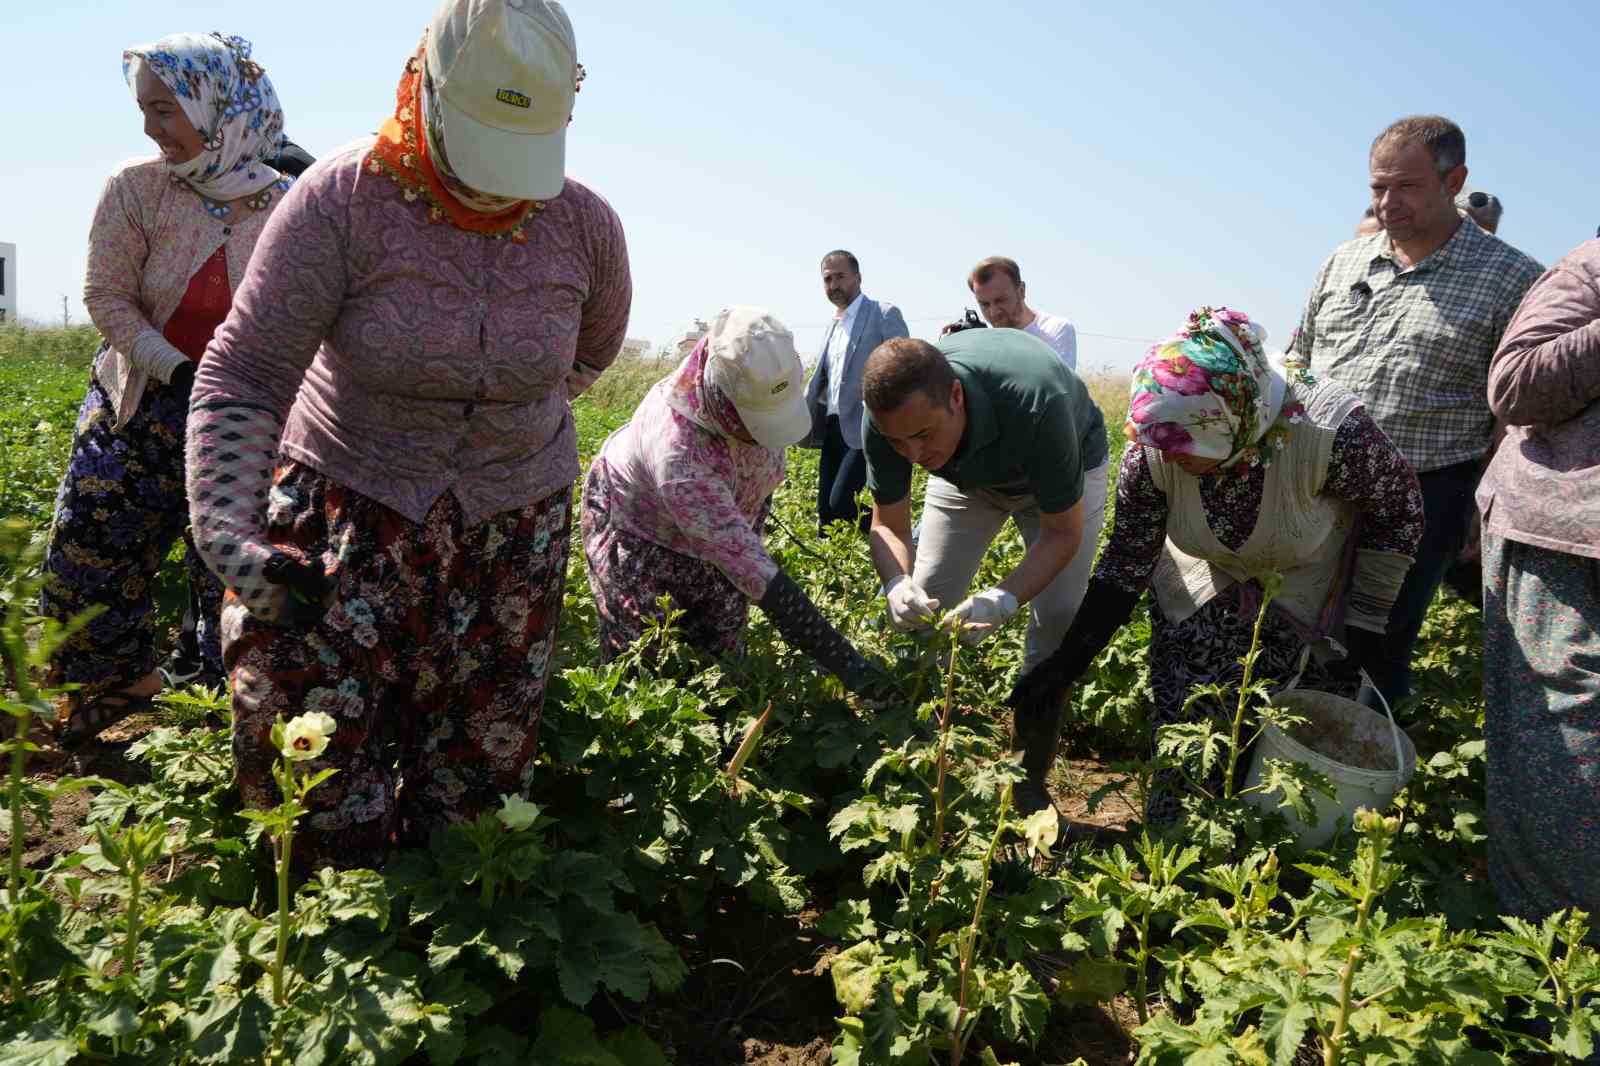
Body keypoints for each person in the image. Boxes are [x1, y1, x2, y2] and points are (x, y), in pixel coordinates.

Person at [186, 0, 630, 870]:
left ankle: (449, 953)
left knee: (477, 788)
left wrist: (506, 419)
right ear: (424, 88)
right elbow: (246, 369)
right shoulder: (343, 198)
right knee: (314, 777)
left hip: (510, 527)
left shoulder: (585, 225)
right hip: (349, 509)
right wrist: (226, 530)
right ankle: (333, 950)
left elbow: (593, 350)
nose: (496, 185)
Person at [1012, 307, 1423, 823]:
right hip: (1201, 577)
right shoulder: (1157, 442)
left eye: (1190, 450)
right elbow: (1126, 560)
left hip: (1305, 585)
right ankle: (1176, 846)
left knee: (1288, 738)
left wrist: (1365, 626)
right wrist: (1065, 664)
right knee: (1191, 725)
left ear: (1236, 420)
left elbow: (1398, 512)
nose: (1175, 459)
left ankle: (1270, 862)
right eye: (1165, 449)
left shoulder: (1330, 431)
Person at [39, 32, 292, 749]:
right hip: (138, 404)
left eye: (165, 110)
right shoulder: (136, 188)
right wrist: (176, 368)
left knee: (232, 572)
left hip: (243, 422)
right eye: (144, 110)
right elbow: (107, 297)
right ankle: (108, 688)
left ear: (220, 107)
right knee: (86, 551)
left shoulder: (289, 209)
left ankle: (215, 728)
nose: (150, 129)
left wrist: (232, 392)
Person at [1290, 114, 1541, 710]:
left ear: (1455, 181)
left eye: (1405, 186)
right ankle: (1281, 766)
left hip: (1424, 493)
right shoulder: (1342, 263)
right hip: (1315, 482)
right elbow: (1299, 360)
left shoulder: (1513, 279)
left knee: (1378, 644)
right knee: (1289, 628)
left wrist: (1484, 508)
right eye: (1378, 187)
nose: (1387, 202)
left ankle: (1366, 781)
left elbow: (1517, 415)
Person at [860, 327, 1108, 817]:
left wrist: (1005, 597)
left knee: (1057, 619)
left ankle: (1028, 780)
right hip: (965, 483)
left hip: (1060, 480)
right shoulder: (889, 419)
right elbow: (887, 524)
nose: (912, 454)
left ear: (955, 395)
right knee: (924, 603)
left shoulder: (1037, 402)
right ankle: (915, 766)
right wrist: (895, 581)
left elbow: (1061, 533)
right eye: (897, 441)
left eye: (923, 435)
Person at [582, 306, 888, 695]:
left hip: (716, 531)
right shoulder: (680, 453)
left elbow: (749, 524)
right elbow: (750, 568)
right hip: (637, 528)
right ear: (723, 400)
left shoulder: (766, 381)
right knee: (644, 657)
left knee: (722, 653)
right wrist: (846, 662)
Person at [164, 136, 320, 691]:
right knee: (222, 541)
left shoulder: (307, 187)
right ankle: (203, 668)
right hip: (223, 390)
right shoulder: (159, 190)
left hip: (292, 406)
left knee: (264, 548)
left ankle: (213, 671)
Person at [1477, 237, 1600, 932]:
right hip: (1564, 537)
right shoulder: (1589, 268)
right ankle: (1553, 952)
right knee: (1567, 740)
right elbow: (1516, 383)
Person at [802, 250, 908, 535]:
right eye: (827, 279)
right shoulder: (832, 326)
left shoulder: (883, 314)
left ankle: (890, 539)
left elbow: (905, 369)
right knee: (825, 514)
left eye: (840, 277)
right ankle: (836, 576)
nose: (834, 285)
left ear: (858, 278)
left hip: (868, 427)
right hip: (834, 427)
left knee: (843, 505)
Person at [966, 256, 1078, 369]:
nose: (993, 312)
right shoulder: (981, 342)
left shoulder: (1055, 329)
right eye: (984, 304)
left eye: (1000, 300)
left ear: (1021, 291)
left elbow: (1056, 384)